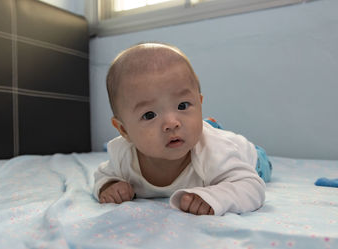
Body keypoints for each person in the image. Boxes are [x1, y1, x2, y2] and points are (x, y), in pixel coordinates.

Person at [93, 42, 271, 216]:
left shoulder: (213, 152)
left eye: (183, 105)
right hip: (198, 134)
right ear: (124, 131)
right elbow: (102, 175)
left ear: (199, 104)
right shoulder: (123, 156)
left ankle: (212, 127)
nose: (171, 123)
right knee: (193, 128)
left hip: (249, 156)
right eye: (149, 115)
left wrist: (214, 196)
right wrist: (109, 185)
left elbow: (252, 187)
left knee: (258, 162)